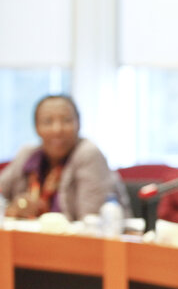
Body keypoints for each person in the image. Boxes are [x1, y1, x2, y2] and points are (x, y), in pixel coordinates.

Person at [0, 95, 129, 221]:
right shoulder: (28, 154)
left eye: (66, 120)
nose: (57, 129)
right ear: (37, 128)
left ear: (78, 124)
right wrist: (12, 208)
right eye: (48, 121)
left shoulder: (89, 154)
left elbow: (91, 220)